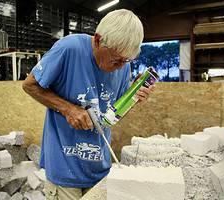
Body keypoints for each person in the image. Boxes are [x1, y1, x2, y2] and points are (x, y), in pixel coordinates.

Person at [22, 9, 155, 200]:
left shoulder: (123, 65)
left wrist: (133, 98)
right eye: (116, 60)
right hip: (65, 169)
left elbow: (111, 117)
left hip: (99, 169)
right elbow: (30, 85)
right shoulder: (69, 48)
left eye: (126, 61)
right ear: (98, 40)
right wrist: (68, 109)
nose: (120, 67)